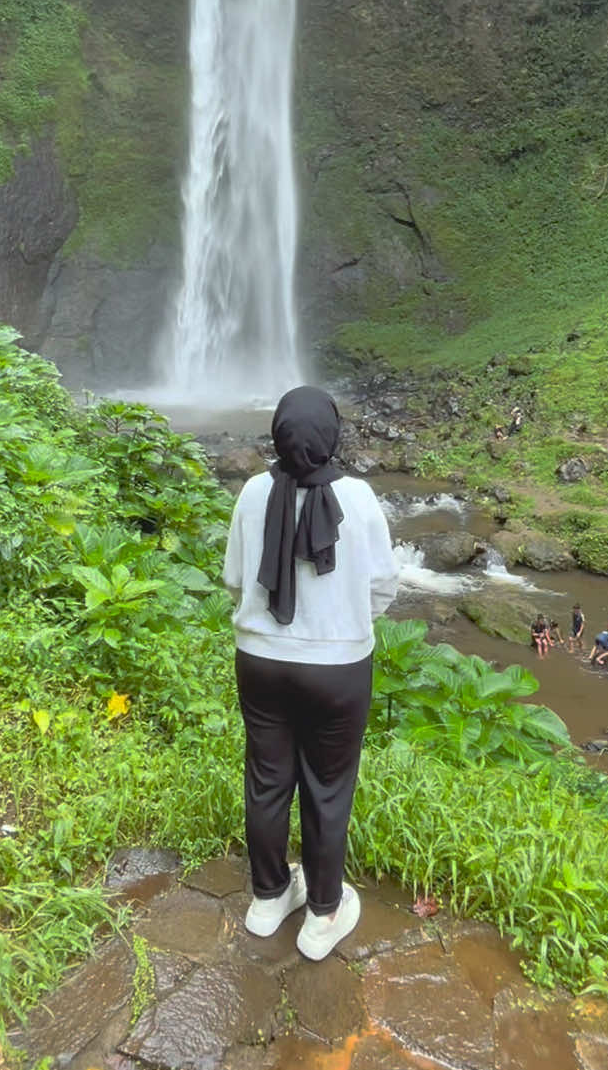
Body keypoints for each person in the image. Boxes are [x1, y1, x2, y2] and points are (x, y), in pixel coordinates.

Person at [222, 386, 399, 961]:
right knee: (328, 789)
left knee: (267, 781)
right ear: (333, 435)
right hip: (339, 669)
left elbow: (234, 578)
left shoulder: (253, 492)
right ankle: (324, 913)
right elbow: (382, 589)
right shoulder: (362, 498)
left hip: (262, 662)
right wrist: (340, 621)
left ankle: (269, 898)